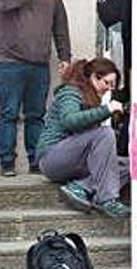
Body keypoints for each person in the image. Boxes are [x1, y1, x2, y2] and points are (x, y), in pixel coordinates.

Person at [0, 0, 71, 177]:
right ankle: (7, 163)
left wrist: (65, 56)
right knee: (8, 115)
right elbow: (6, 3)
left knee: (36, 116)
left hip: (39, 64)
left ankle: (37, 161)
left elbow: (60, 24)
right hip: (9, 62)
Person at [35, 58, 129, 217]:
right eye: (107, 83)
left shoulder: (93, 98)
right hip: (51, 158)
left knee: (131, 164)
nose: (109, 89)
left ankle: (82, 187)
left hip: (76, 163)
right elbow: (70, 121)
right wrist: (106, 110)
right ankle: (106, 200)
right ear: (94, 77)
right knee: (105, 133)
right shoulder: (70, 92)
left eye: (112, 85)